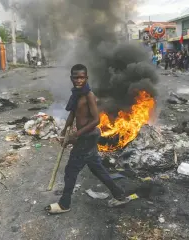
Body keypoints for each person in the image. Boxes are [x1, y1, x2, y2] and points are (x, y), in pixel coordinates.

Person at [45, 64, 129, 214]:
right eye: (75, 77)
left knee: (71, 170)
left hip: (87, 136)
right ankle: (120, 195)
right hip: (86, 137)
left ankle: (64, 204)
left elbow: (96, 120)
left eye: (81, 77)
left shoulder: (89, 95)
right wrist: (65, 131)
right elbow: (72, 113)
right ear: (71, 78)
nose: (78, 80)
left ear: (86, 78)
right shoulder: (76, 94)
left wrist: (75, 135)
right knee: (97, 168)